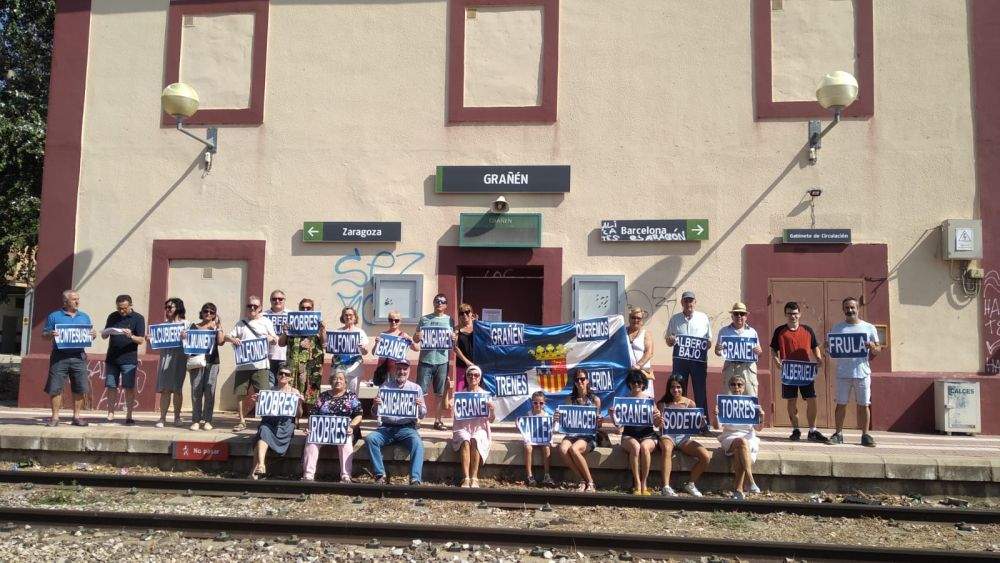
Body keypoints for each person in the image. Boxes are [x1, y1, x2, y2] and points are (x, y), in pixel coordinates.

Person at [770, 301, 828, 443]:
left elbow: (815, 347)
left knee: (812, 399)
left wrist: (818, 358)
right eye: (789, 313)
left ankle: (812, 431)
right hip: (789, 371)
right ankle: (796, 429)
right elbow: (773, 349)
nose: (793, 316)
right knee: (792, 401)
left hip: (805, 371)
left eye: (795, 313)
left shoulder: (807, 330)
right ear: (785, 314)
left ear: (800, 314)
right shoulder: (779, 331)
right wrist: (776, 360)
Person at [826, 297, 880, 447]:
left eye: (852, 307)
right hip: (843, 373)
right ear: (843, 309)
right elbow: (831, 348)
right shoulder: (837, 328)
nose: (850, 310)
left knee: (864, 404)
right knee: (841, 404)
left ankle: (865, 435)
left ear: (858, 308)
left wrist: (872, 346)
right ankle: (838, 434)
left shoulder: (869, 328)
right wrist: (827, 346)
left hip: (862, 373)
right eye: (847, 308)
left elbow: (878, 349)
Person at [41, 290, 98, 427]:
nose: (77, 301)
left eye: (78, 299)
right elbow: (44, 335)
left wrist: (93, 335)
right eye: (74, 299)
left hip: (79, 356)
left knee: (80, 387)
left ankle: (76, 417)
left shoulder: (84, 316)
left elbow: (88, 335)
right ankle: (55, 418)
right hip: (59, 356)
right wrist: (51, 334)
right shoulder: (54, 316)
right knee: (55, 387)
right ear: (65, 301)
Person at [367, 358, 427, 485]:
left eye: (405, 369)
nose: (402, 371)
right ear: (395, 370)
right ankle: (380, 475)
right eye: (399, 368)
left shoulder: (416, 388)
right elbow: (374, 413)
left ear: (409, 371)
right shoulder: (384, 387)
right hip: (386, 428)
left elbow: (422, 415)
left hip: (407, 428)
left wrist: (419, 406)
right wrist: (376, 405)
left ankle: (415, 479)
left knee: (418, 444)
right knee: (370, 439)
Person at [225, 295, 278, 432]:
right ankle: (242, 421)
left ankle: (265, 422)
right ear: (246, 307)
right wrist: (233, 339)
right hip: (243, 365)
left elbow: (275, 340)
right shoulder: (241, 323)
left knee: (263, 394)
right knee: (240, 394)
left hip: (261, 366)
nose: (252, 308)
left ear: (260, 308)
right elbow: (227, 336)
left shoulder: (266, 321)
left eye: (255, 306)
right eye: (250, 306)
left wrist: (270, 338)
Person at [302, 369, 363, 482]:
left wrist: (351, 426)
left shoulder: (351, 396)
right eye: (335, 379)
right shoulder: (323, 396)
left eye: (341, 379)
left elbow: (358, 415)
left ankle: (346, 475)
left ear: (345, 382)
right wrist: (309, 427)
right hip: (322, 431)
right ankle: (308, 475)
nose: (338, 381)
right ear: (330, 381)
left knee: (346, 442)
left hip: (343, 431)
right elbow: (313, 414)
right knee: (311, 441)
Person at [655, 375, 711, 497]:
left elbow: (698, 425)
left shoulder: (690, 403)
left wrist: (701, 421)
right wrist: (659, 421)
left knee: (705, 456)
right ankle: (666, 487)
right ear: (668, 389)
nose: (676, 390)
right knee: (667, 449)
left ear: (683, 388)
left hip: (684, 438)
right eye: (672, 387)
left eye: (678, 387)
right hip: (667, 435)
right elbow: (656, 425)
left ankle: (691, 484)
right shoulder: (662, 404)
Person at [664, 291, 712, 428]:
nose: (688, 303)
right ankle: (680, 422)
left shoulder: (703, 318)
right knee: (678, 390)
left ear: (695, 302)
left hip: (698, 361)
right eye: (686, 300)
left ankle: (703, 424)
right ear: (682, 302)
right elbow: (668, 341)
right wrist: (671, 339)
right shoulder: (675, 319)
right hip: (680, 361)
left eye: (691, 300)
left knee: (700, 391)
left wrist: (705, 344)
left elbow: (709, 341)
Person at [714, 375, 763, 500]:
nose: (736, 387)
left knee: (739, 451)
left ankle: (738, 490)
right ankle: (751, 480)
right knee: (741, 442)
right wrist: (716, 415)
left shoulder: (751, 403)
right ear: (729, 387)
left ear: (744, 387)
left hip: (749, 438)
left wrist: (761, 417)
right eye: (733, 384)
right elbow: (716, 427)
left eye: (739, 385)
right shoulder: (724, 403)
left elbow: (758, 428)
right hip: (730, 437)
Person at [250, 366, 303, 479]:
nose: (283, 376)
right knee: (263, 430)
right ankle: (261, 465)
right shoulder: (270, 391)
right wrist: (259, 401)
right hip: (270, 422)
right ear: (277, 375)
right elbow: (264, 412)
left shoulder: (294, 392)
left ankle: (253, 472)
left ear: (291, 378)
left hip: (285, 425)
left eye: (287, 374)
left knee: (261, 436)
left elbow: (299, 415)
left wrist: (298, 404)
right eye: (281, 373)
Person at [613, 369, 660, 495]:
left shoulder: (650, 400)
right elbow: (618, 425)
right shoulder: (623, 400)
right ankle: (637, 484)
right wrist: (613, 415)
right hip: (629, 435)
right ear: (629, 383)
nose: (636, 384)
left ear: (643, 384)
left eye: (639, 382)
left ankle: (645, 483)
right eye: (633, 382)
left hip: (648, 435)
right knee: (635, 447)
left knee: (644, 447)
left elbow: (657, 424)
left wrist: (658, 417)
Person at [100, 294, 146, 424]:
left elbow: (141, 340)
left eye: (124, 308)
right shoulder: (112, 316)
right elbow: (104, 336)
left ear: (130, 305)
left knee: (128, 387)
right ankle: (110, 414)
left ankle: (129, 415)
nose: (122, 311)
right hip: (112, 358)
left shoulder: (138, 318)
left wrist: (131, 336)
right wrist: (105, 332)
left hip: (129, 359)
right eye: (119, 308)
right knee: (111, 386)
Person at [413, 293, 455, 431]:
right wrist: (418, 336)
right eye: (437, 301)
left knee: (440, 393)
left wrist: (454, 337)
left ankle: (438, 420)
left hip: (442, 361)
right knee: (420, 391)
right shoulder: (424, 319)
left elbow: (454, 340)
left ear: (446, 305)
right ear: (433, 303)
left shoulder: (450, 320)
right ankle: (417, 419)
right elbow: (415, 338)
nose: (439, 303)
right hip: (425, 360)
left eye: (442, 302)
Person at [556, 368, 602, 492]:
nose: (580, 382)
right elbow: (565, 420)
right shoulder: (569, 399)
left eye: (582, 379)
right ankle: (581, 479)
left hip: (588, 436)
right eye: (577, 380)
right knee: (562, 449)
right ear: (575, 383)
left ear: (587, 381)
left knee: (574, 449)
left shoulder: (595, 400)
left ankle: (590, 482)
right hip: (572, 434)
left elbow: (597, 425)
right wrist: (558, 418)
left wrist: (599, 422)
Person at [451, 365, 495, 487]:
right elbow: (446, 406)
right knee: (465, 440)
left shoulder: (485, 395)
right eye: (470, 375)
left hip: (479, 428)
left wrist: (492, 410)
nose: (473, 377)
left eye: (476, 375)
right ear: (466, 377)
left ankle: (474, 477)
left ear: (480, 378)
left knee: (476, 439)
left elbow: (491, 420)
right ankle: (466, 477)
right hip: (462, 427)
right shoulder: (460, 394)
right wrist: (446, 390)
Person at [185, 302, 225, 430]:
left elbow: (221, 342)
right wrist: (183, 336)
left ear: (215, 315)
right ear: (201, 313)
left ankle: (207, 420)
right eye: (206, 311)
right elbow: (186, 341)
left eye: (211, 312)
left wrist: (218, 326)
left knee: (210, 391)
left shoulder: (216, 327)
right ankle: (196, 420)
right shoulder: (194, 326)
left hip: (212, 362)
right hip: (196, 362)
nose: (208, 313)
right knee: (196, 391)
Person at [280, 298, 326, 407]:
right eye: (303, 307)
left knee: (312, 390)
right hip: (294, 365)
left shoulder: (317, 324)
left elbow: (324, 344)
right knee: (294, 391)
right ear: (299, 308)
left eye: (308, 308)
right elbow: (281, 343)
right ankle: (295, 417)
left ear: (312, 309)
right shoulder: (292, 323)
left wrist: (323, 330)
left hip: (312, 365)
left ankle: (310, 415)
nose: (305, 310)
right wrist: (285, 332)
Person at [152, 298, 187, 428]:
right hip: (165, 358)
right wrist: (150, 339)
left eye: (170, 307)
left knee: (177, 389)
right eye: (166, 307)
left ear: (178, 308)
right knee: (165, 390)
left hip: (179, 359)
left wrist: (186, 337)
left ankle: (177, 417)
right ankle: (162, 418)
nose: (167, 310)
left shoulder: (186, 324)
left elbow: (192, 342)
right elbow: (156, 343)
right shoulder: (162, 326)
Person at [714, 302, 762, 397]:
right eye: (736, 314)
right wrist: (717, 350)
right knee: (729, 398)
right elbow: (718, 352)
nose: (739, 316)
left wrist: (759, 352)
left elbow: (759, 353)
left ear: (746, 316)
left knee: (751, 397)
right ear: (732, 316)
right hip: (730, 367)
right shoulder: (724, 331)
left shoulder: (752, 332)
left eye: (742, 314)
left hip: (748, 368)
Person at [371, 311, 419, 386]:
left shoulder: (403, 335)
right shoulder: (383, 335)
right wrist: (376, 343)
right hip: (383, 370)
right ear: (388, 321)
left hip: (397, 370)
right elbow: (373, 353)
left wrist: (410, 340)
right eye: (391, 320)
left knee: (395, 389)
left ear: (400, 322)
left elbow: (417, 349)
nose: (393, 322)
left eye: (396, 320)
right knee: (383, 389)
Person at [331, 306, 369, 394]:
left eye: (351, 315)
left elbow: (365, 352)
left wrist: (363, 348)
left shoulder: (360, 332)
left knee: (352, 395)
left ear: (355, 317)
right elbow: (332, 349)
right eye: (346, 315)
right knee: (337, 394)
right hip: (338, 370)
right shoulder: (337, 332)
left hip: (353, 369)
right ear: (343, 317)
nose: (348, 317)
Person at [521, 391, 555, 487]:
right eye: (535, 403)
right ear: (532, 403)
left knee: (546, 448)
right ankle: (529, 475)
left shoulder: (547, 415)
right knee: (528, 448)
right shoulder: (528, 414)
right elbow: (524, 427)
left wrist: (554, 423)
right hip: (531, 439)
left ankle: (547, 475)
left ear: (544, 403)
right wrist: (518, 424)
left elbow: (551, 429)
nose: (538, 405)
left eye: (541, 403)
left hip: (542, 439)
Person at [265, 290, 288, 387]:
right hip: (268, 358)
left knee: (284, 386)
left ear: (284, 300)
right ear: (270, 300)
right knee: (270, 386)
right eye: (274, 299)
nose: (277, 301)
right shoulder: (263, 315)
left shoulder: (291, 315)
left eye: (280, 299)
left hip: (285, 356)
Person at [453, 303, 477, 394]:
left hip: (477, 364)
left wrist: (477, 322)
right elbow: (455, 348)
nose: (464, 315)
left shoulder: (478, 327)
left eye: (467, 312)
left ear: (471, 314)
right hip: (462, 365)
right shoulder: (456, 330)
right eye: (461, 313)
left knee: (476, 391)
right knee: (460, 391)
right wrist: (467, 362)